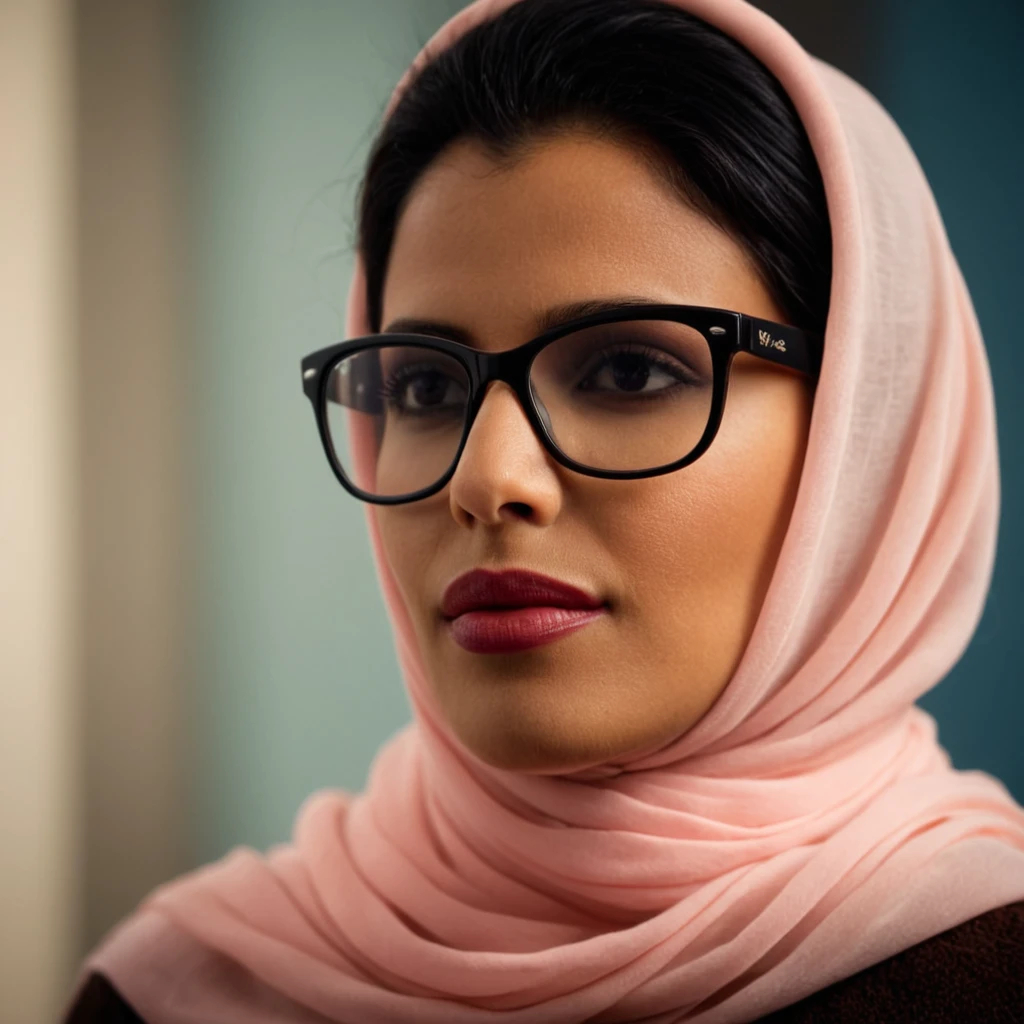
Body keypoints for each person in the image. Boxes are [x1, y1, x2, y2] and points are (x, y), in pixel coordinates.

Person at [63, 0, 1024, 1020]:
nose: (486, 480)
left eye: (625, 369)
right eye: (424, 390)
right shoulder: (181, 990)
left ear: (863, 432)